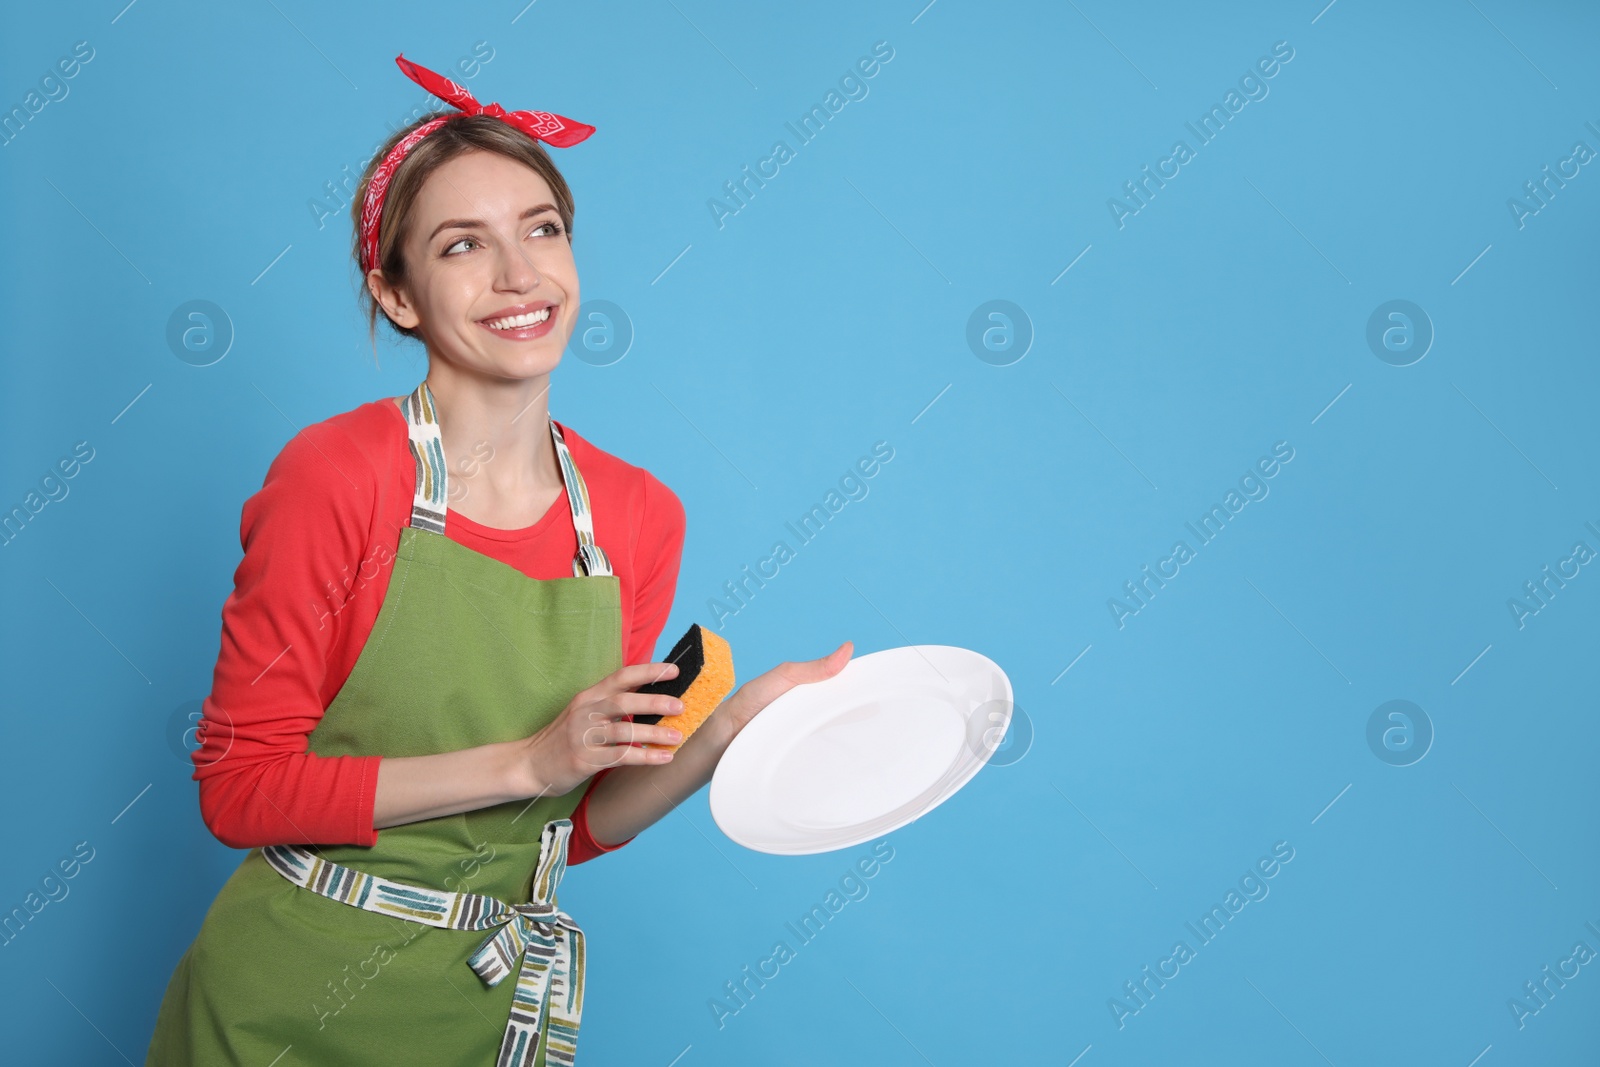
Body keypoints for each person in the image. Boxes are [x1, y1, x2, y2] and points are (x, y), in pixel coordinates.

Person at [145, 54, 851, 1066]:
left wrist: (724, 733)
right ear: (396, 295)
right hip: (281, 1009)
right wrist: (529, 759)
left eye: (542, 229)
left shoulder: (638, 516)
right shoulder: (336, 477)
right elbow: (240, 789)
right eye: (463, 244)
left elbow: (568, 824)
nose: (519, 275)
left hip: (482, 1001)